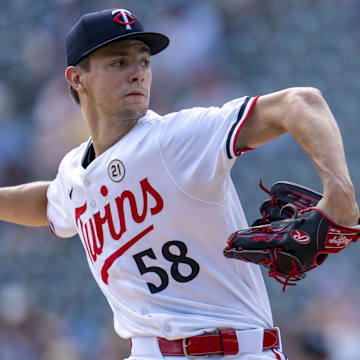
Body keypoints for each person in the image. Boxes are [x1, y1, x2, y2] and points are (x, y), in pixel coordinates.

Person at [0, 8, 358, 360]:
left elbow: (302, 102)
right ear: (77, 78)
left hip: (235, 349)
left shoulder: (175, 138)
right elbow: (48, 202)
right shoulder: (74, 171)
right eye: (119, 63)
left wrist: (341, 194)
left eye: (144, 61)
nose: (138, 73)